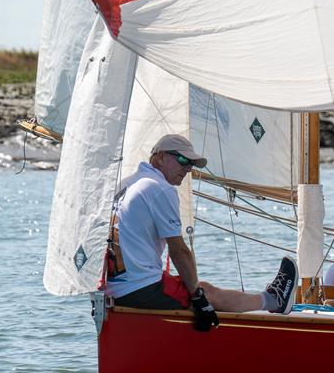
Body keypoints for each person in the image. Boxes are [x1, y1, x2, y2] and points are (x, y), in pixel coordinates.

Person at [105, 134, 298, 331]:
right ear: (160, 157)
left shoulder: (124, 184)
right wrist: (199, 299)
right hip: (139, 290)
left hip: (113, 290)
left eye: (191, 164)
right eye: (183, 160)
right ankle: (274, 300)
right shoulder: (159, 188)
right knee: (207, 293)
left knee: (196, 287)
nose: (188, 168)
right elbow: (179, 252)